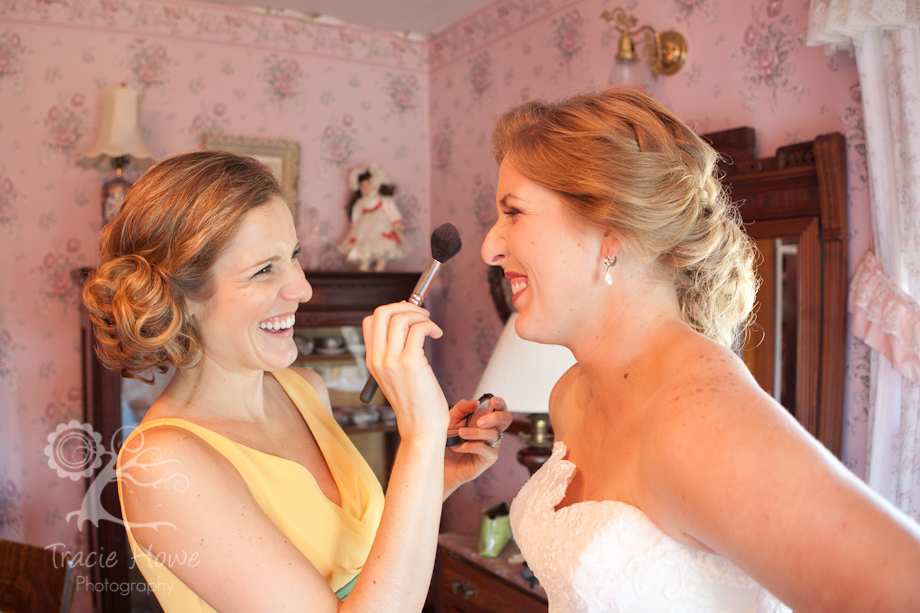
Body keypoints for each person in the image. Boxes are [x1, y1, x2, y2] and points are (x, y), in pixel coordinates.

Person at [481, 86, 920, 612]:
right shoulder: (571, 395)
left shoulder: (696, 416)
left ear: (610, 232)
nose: (490, 246)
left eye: (515, 213)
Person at [82, 150, 511, 612]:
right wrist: (420, 438)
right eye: (264, 270)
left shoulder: (303, 389)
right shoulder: (163, 467)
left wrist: (431, 477)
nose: (302, 288)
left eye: (294, 256)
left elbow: (362, 564)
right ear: (180, 300)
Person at [338, 163, 410, 271]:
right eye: (362, 185)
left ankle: (380, 265)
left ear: (375, 183)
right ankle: (364, 264)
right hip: (364, 228)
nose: (366, 187)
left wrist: (396, 222)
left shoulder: (382, 199)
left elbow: (391, 211)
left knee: (381, 245)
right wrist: (354, 228)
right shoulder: (360, 202)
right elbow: (356, 216)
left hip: (380, 225)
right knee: (363, 244)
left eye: (368, 184)